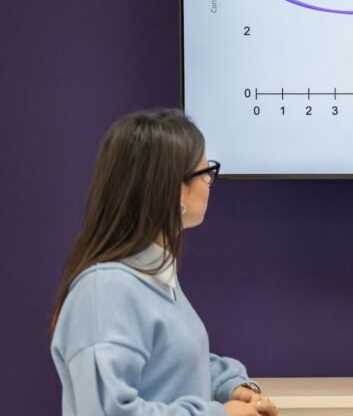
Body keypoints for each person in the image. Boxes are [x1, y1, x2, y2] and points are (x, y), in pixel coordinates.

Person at [50, 109, 278, 416]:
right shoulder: (104, 291)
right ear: (172, 188)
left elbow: (174, 363)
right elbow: (109, 411)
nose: (209, 183)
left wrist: (229, 385)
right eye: (204, 172)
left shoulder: (152, 278)